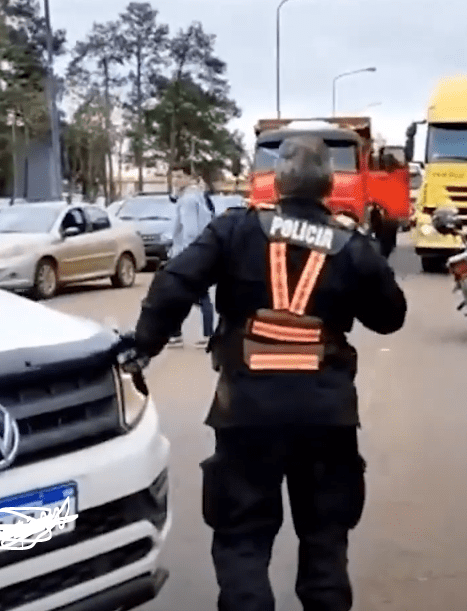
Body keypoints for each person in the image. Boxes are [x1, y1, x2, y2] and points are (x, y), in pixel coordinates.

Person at [120, 135, 407, 611]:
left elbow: (176, 281)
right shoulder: (350, 244)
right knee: (325, 542)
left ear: (277, 182)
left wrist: (145, 345)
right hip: (326, 415)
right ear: (328, 185)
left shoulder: (236, 229)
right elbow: (390, 317)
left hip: (246, 411)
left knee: (243, 541)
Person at [166, 163, 216, 348]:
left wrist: (186, 257)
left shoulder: (188, 200)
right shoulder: (196, 195)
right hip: (199, 251)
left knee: (180, 295)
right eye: (174, 177)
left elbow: (190, 231)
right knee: (196, 295)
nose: (176, 180)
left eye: (180, 176)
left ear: (189, 177)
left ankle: (178, 334)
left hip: (188, 253)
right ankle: (202, 334)